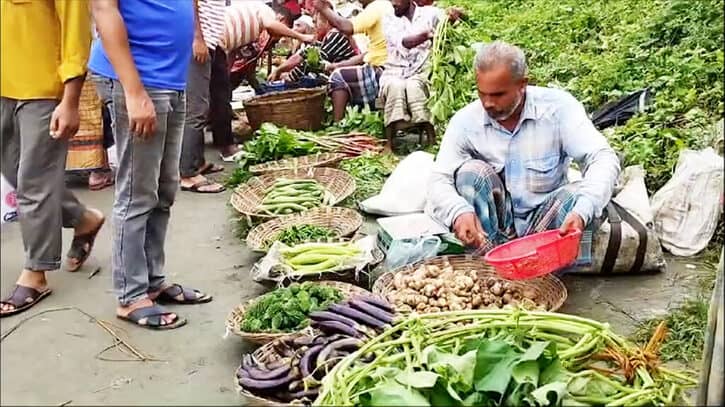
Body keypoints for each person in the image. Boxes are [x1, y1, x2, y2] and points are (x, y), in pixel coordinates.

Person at [427, 41, 620, 263]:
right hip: (494, 232)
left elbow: (602, 157)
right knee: (471, 173)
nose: (488, 103)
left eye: (498, 95)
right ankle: (488, 265)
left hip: (545, 227)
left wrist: (583, 210)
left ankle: (549, 269)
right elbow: (439, 179)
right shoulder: (465, 121)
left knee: (579, 198)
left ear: (522, 85)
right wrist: (458, 212)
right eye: (482, 93)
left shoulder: (558, 109)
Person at [90, 0, 213, 330]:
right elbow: (104, 10)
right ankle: (130, 296)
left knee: (163, 190)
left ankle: (152, 282)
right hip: (139, 79)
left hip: (170, 79)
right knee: (137, 193)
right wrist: (133, 91)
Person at [0, 0, 106, 317]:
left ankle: (36, 273)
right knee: (17, 175)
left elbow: (76, 33)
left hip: (44, 90)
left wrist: (70, 99)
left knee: (33, 184)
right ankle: (84, 218)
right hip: (4, 85)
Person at [313, 0, 394, 121]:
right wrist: (336, 65)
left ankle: (338, 124)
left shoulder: (377, 7)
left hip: (383, 70)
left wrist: (323, 8)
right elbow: (368, 54)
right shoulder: (383, 6)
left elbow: (347, 27)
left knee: (337, 77)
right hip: (384, 66)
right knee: (340, 71)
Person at [180, 0, 230, 194]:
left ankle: (197, 163)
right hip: (197, 42)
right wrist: (197, 37)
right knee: (196, 108)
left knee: (202, 104)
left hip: (208, 41)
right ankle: (188, 173)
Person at [378, 0, 441, 150]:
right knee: (395, 86)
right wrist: (425, 35)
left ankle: (431, 137)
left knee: (414, 86)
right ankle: (390, 142)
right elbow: (403, 43)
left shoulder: (429, 14)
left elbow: (454, 19)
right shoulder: (389, 18)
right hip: (394, 71)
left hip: (421, 71)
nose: (393, 3)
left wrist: (455, 15)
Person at [268, 11, 359, 84]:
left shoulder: (335, 35)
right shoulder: (323, 38)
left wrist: (290, 77)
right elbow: (302, 54)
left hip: (349, 82)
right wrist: (278, 70)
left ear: (326, 22)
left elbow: (313, 63)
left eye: (316, 22)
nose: (314, 26)